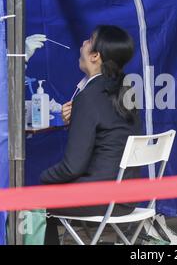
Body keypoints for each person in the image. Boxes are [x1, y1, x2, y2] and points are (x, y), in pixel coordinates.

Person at [40, 25, 142, 245]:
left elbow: (72, 167)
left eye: (88, 41)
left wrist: (42, 178)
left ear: (95, 56)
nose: (83, 44)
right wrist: (76, 119)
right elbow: (109, 139)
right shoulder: (126, 91)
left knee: (33, 199)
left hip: (100, 199)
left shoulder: (88, 97)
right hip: (128, 198)